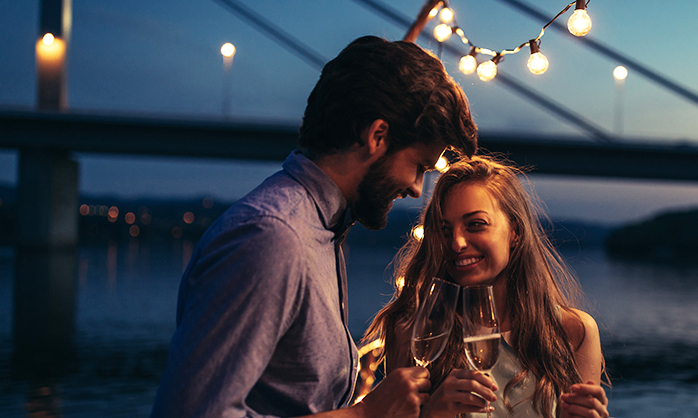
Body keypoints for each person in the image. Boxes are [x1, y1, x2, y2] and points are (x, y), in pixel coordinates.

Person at [151, 35, 478, 418]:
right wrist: (363, 415)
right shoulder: (273, 238)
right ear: (377, 136)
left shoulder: (322, 230)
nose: (415, 187)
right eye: (420, 165)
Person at [363, 156, 609, 418]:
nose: (457, 243)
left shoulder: (573, 331)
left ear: (515, 232)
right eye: (446, 230)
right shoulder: (410, 332)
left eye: (475, 225)